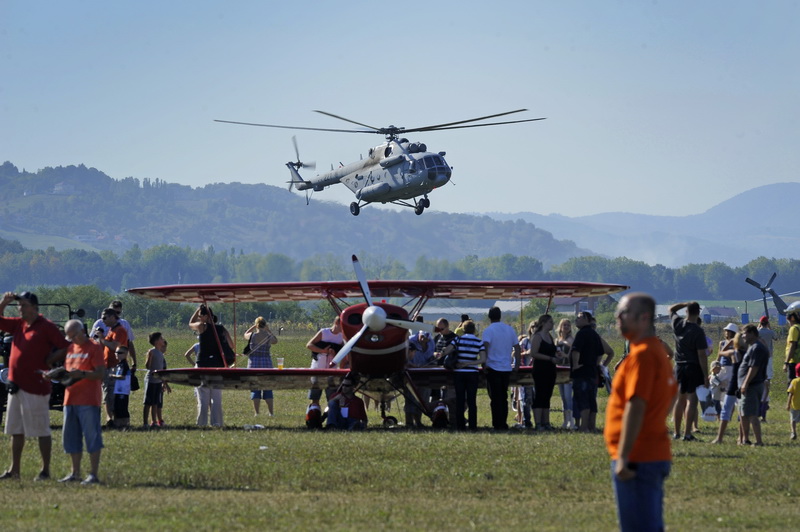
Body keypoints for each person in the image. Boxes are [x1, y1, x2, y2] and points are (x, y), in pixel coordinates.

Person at [605, 293, 677, 532]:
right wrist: (654, 423)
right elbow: (672, 395)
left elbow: (636, 405)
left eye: (624, 312)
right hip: (651, 451)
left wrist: (624, 456)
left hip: (638, 457)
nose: (618, 317)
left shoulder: (643, 355)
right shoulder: (657, 351)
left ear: (644, 318)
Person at [0, 291, 70, 481]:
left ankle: (45, 470)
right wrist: (4, 303)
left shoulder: (46, 326)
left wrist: (50, 360)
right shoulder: (19, 324)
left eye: (23, 305)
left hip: (36, 386)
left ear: (34, 307)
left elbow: (65, 346)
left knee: (41, 430)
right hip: (16, 386)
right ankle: (14, 470)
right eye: (19, 306)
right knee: (15, 430)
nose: (20, 309)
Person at [58, 319, 105, 484]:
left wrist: (83, 375)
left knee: (92, 437)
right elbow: (68, 372)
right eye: (68, 337)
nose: (71, 340)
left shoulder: (94, 347)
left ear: (81, 332)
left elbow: (100, 373)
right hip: (69, 399)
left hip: (88, 400)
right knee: (71, 438)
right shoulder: (71, 348)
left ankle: (93, 474)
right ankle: (75, 473)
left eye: (72, 336)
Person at [669, 301, 709, 441]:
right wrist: (706, 375)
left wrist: (684, 304)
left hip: (679, 366)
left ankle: (676, 432)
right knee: (692, 401)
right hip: (693, 366)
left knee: (680, 400)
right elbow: (701, 355)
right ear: (698, 312)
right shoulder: (698, 331)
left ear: (686, 311)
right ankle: (687, 433)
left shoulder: (678, 324)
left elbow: (672, 309)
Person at [189, 304, 235, 427]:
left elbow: (190, 323)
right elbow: (231, 345)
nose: (199, 319)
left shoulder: (201, 327)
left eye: (200, 316)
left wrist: (197, 309)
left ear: (204, 316)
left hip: (203, 365)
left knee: (203, 398)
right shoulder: (222, 329)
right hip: (218, 366)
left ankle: (202, 424)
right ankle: (217, 423)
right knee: (217, 398)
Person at [442, 320, 486, 431]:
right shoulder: (479, 342)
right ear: (474, 330)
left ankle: (460, 425)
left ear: (463, 329)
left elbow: (447, 351)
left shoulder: (458, 339)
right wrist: (470, 363)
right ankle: (473, 425)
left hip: (459, 373)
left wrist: (441, 353)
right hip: (473, 374)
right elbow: (483, 359)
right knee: (472, 400)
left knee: (460, 400)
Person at [482, 306, 520, 431]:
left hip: (493, 367)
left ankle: (497, 423)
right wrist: (517, 364)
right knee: (503, 397)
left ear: (489, 317)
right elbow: (517, 347)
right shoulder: (509, 329)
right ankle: (503, 423)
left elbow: (486, 346)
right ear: (500, 316)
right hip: (506, 368)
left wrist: (484, 362)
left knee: (495, 398)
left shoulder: (488, 330)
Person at [571, 311, 607, 432]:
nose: (576, 319)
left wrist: (575, 365)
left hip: (581, 372)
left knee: (582, 399)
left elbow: (576, 351)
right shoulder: (594, 334)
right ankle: (592, 426)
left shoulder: (581, 334)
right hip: (592, 371)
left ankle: (583, 426)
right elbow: (600, 353)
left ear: (587, 319)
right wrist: (595, 364)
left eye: (579, 317)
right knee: (592, 400)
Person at [94, 307, 129, 427]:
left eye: (104, 317)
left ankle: (114, 418)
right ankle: (110, 419)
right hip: (107, 365)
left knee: (111, 393)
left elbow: (115, 346)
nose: (102, 320)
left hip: (115, 366)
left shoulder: (119, 331)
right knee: (107, 393)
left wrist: (102, 339)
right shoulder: (111, 330)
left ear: (113, 317)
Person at [710, 329, 746, 445]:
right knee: (742, 411)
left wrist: (729, 344)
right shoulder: (749, 353)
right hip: (742, 383)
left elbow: (720, 353)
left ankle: (719, 438)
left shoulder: (734, 353)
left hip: (734, 384)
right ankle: (741, 438)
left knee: (726, 408)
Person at [738, 324, 769, 446]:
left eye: (745, 333)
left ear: (752, 333)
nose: (743, 336)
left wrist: (745, 383)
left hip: (751, 385)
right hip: (749, 385)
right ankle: (745, 439)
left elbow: (754, 367)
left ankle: (758, 441)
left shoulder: (756, 348)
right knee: (744, 414)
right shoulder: (754, 347)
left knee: (751, 414)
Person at [529, 315, 561, 430]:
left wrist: (556, 355)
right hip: (540, 369)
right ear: (543, 323)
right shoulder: (537, 336)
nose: (552, 324)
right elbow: (534, 353)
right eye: (550, 322)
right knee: (540, 395)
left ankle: (546, 422)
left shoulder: (549, 336)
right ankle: (538, 423)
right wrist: (549, 358)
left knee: (547, 395)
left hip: (550, 369)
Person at [306, 316, 344, 410]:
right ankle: (314, 409)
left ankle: (330, 411)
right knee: (315, 392)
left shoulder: (342, 336)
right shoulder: (324, 332)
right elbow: (309, 345)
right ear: (337, 323)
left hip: (332, 369)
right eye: (342, 326)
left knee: (331, 392)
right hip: (318, 367)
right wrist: (323, 351)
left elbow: (343, 351)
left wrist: (336, 352)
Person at [244, 317, 278, 416]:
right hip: (266, 364)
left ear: (257, 325)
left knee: (255, 388)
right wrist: (268, 330)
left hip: (253, 364)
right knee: (268, 387)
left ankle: (257, 412)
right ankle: (271, 412)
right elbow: (275, 340)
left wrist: (252, 327)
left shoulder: (252, 335)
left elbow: (245, 334)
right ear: (265, 325)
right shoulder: (268, 336)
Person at [90, 300, 137, 369]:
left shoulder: (121, 327)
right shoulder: (106, 326)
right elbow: (92, 341)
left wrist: (134, 362)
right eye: (112, 312)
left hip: (116, 364)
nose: (115, 315)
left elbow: (117, 345)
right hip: (103, 362)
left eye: (117, 313)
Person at [143, 331, 170, 428]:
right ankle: (145, 422)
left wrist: (164, 382)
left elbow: (162, 370)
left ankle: (154, 421)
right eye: (161, 339)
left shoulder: (160, 354)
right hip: (151, 380)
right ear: (156, 341)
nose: (163, 340)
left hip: (158, 381)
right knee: (148, 402)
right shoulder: (152, 352)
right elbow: (147, 366)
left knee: (155, 402)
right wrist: (149, 357)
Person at [555, 318, 575, 429]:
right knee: (562, 396)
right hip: (559, 368)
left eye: (568, 325)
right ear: (560, 327)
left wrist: (565, 354)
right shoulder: (557, 339)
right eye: (564, 325)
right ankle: (565, 420)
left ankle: (571, 421)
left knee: (568, 396)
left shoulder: (571, 339)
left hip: (567, 368)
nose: (566, 327)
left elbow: (572, 352)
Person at [757, 316, 776, 421]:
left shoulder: (757, 331)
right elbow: (776, 338)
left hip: (759, 357)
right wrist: (769, 327)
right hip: (769, 357)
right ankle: (764, 407)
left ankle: (759, 408)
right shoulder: (770, 332)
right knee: (767, 381)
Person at [111, 347, 132, 429]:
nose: (117, 354)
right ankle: (118, 423)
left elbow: (122, 377)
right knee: (117, 407)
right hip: (118, 390)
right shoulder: (119, 364)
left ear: (125, 354)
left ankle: (125, 423)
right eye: (116, 352)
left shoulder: (124, 365)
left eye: (119, 353)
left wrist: (113, 376)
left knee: (122, 407)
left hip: (123, 390)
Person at [783, 307, 800, 382]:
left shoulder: (794, 328)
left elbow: (792, 346)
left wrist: (786, 362)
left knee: (792, 385)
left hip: (794, 361)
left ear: (792, 318)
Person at [787, 363, 800, 440]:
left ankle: (793, 432)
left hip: (795, 405)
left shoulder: (794, 381)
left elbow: (790, 394)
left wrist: (788, 404)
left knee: (793, 420)